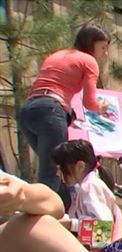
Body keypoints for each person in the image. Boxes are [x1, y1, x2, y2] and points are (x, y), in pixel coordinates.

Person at [17, 24, 111, 206]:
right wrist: (101, 107)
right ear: (91, 44)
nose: (104, 54)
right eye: (103, 48)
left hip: (28, 111)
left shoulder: (57, 55)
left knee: (58, 167)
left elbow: (52, 88)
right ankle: (43, 223)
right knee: (51, 174)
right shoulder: (89, 61)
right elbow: (89, 103)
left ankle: (56, 212)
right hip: (50, 112)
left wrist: (69, 116)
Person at [51, 139, 122, 243]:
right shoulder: (88, 185)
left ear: (80, 166)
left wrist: (71, 224)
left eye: (60, 168)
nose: (58, 173)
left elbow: (103, 232)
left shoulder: (90, 186)